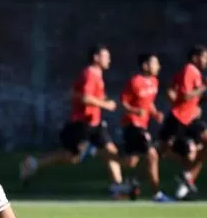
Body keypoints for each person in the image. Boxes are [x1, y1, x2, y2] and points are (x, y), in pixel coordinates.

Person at [21, 46, 135, 198]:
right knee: (72, 157)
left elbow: (91, 95)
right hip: (82, 124)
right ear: (95, 58)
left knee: (110, 151)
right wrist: (106, 105)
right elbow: (85, 98)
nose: (109, 59)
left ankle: (118, 187)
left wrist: (107, 101)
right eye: (105, 56)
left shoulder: (97, 74)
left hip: (95, 123)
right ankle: (34, 163)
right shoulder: (89, 73)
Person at [158, 45, 207, 200]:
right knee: (161, 152)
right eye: (205, 57)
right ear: (195, 58)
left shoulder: (196, 73)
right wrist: (205, 87)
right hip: (179, 118)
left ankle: (187, 178)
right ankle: (180, 182)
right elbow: (185, 96)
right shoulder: (189, 70)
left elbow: (187, 95)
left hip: (192, 119)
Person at [119, 53, 172, 202]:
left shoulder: (155, 82)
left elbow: (148, 103)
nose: (158, 67)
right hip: (132, 124)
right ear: (145, 66)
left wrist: (155, 114)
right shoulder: (135, 81)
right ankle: (157, 194)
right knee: (152, 155)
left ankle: (125, 185)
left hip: (142, 125)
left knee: (131, 162)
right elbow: (123, 104)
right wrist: (135, 111)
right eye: (155, 63)